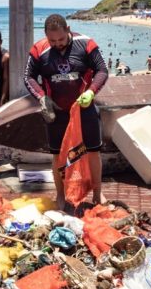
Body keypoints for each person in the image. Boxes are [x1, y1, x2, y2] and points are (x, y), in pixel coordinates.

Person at [24, 14, 108, 209]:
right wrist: (41, 97)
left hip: (83, 108)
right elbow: (28, 76)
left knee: (93, 151)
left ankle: (97, 193)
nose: (57, 44)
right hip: (57, 111)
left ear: (68, 29)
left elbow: (102, 70)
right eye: (52, 40)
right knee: (57, 155)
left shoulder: (86, 44)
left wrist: (91, 92)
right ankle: (60, 195)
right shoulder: (39, 49)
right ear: (45, 35)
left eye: (61, 39)